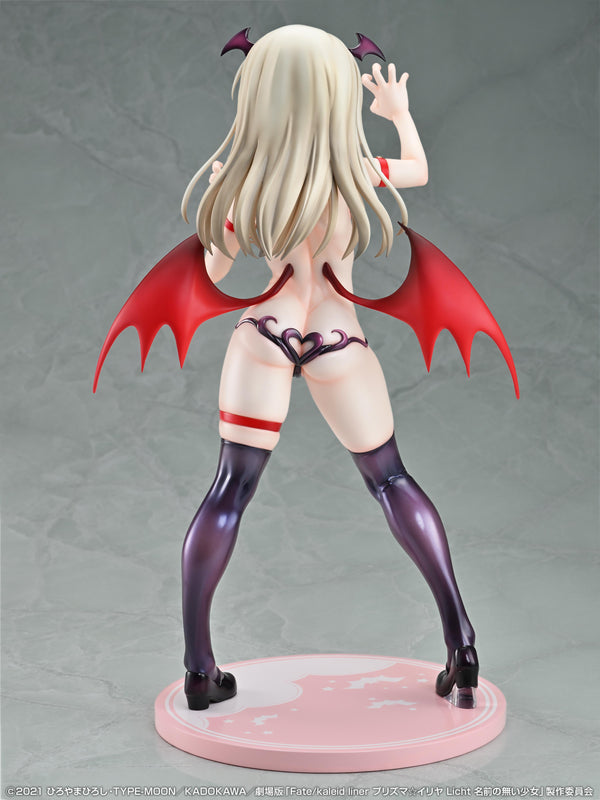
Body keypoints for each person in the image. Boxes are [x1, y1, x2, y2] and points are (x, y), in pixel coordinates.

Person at [179, 25, 479, 712]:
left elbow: (213, 274)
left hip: (265, 334)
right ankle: (460, 642)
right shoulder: (355, 173)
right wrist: (398, 113)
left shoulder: (246, 183)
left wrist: (217, 211)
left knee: (229, 491)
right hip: (339, 339)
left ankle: (198, 667)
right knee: (391, 479)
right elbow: (416, 168)